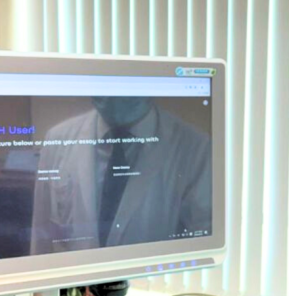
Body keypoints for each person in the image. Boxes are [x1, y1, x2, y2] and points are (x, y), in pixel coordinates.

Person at [31, 97, 212, 255]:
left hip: (150, 281)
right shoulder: (57, 138)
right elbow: (42, 238)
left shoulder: (197, 149)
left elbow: (200, 246)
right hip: (76, 281)